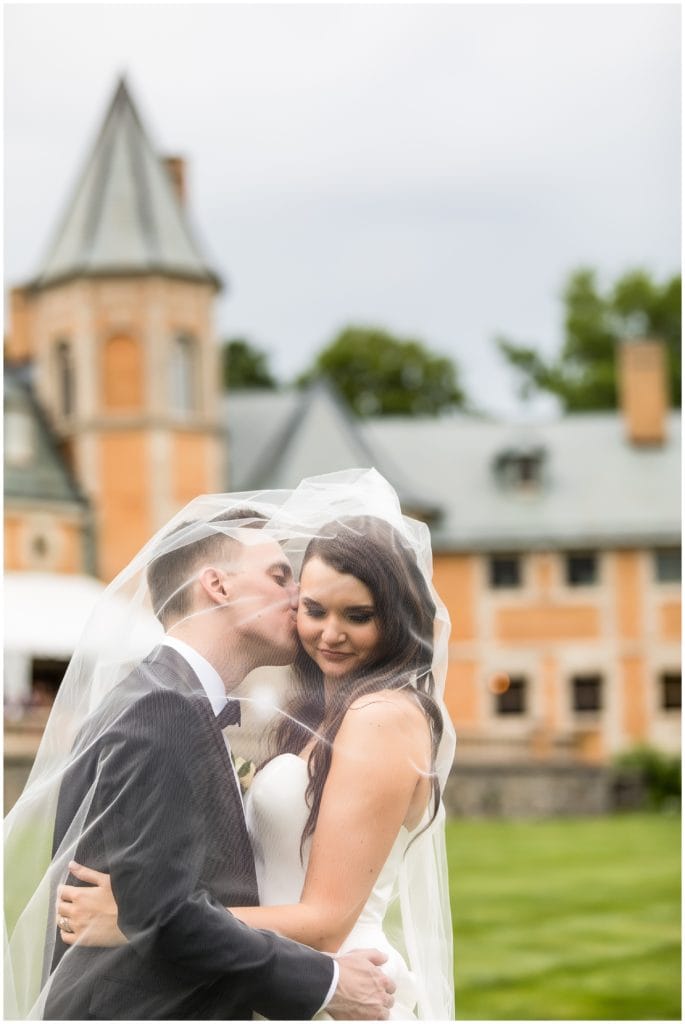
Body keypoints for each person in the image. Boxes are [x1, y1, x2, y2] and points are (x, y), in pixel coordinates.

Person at [54, 488, 456, 1018]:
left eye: (358, 615)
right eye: (308, 603)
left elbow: (324, 921)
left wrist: (137, 921)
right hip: (276, 984)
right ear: (217, 585)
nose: (324, 628)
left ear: (394, 620)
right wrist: (154, 918)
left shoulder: (380, 715)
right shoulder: (182, 708)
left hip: (339, 984)